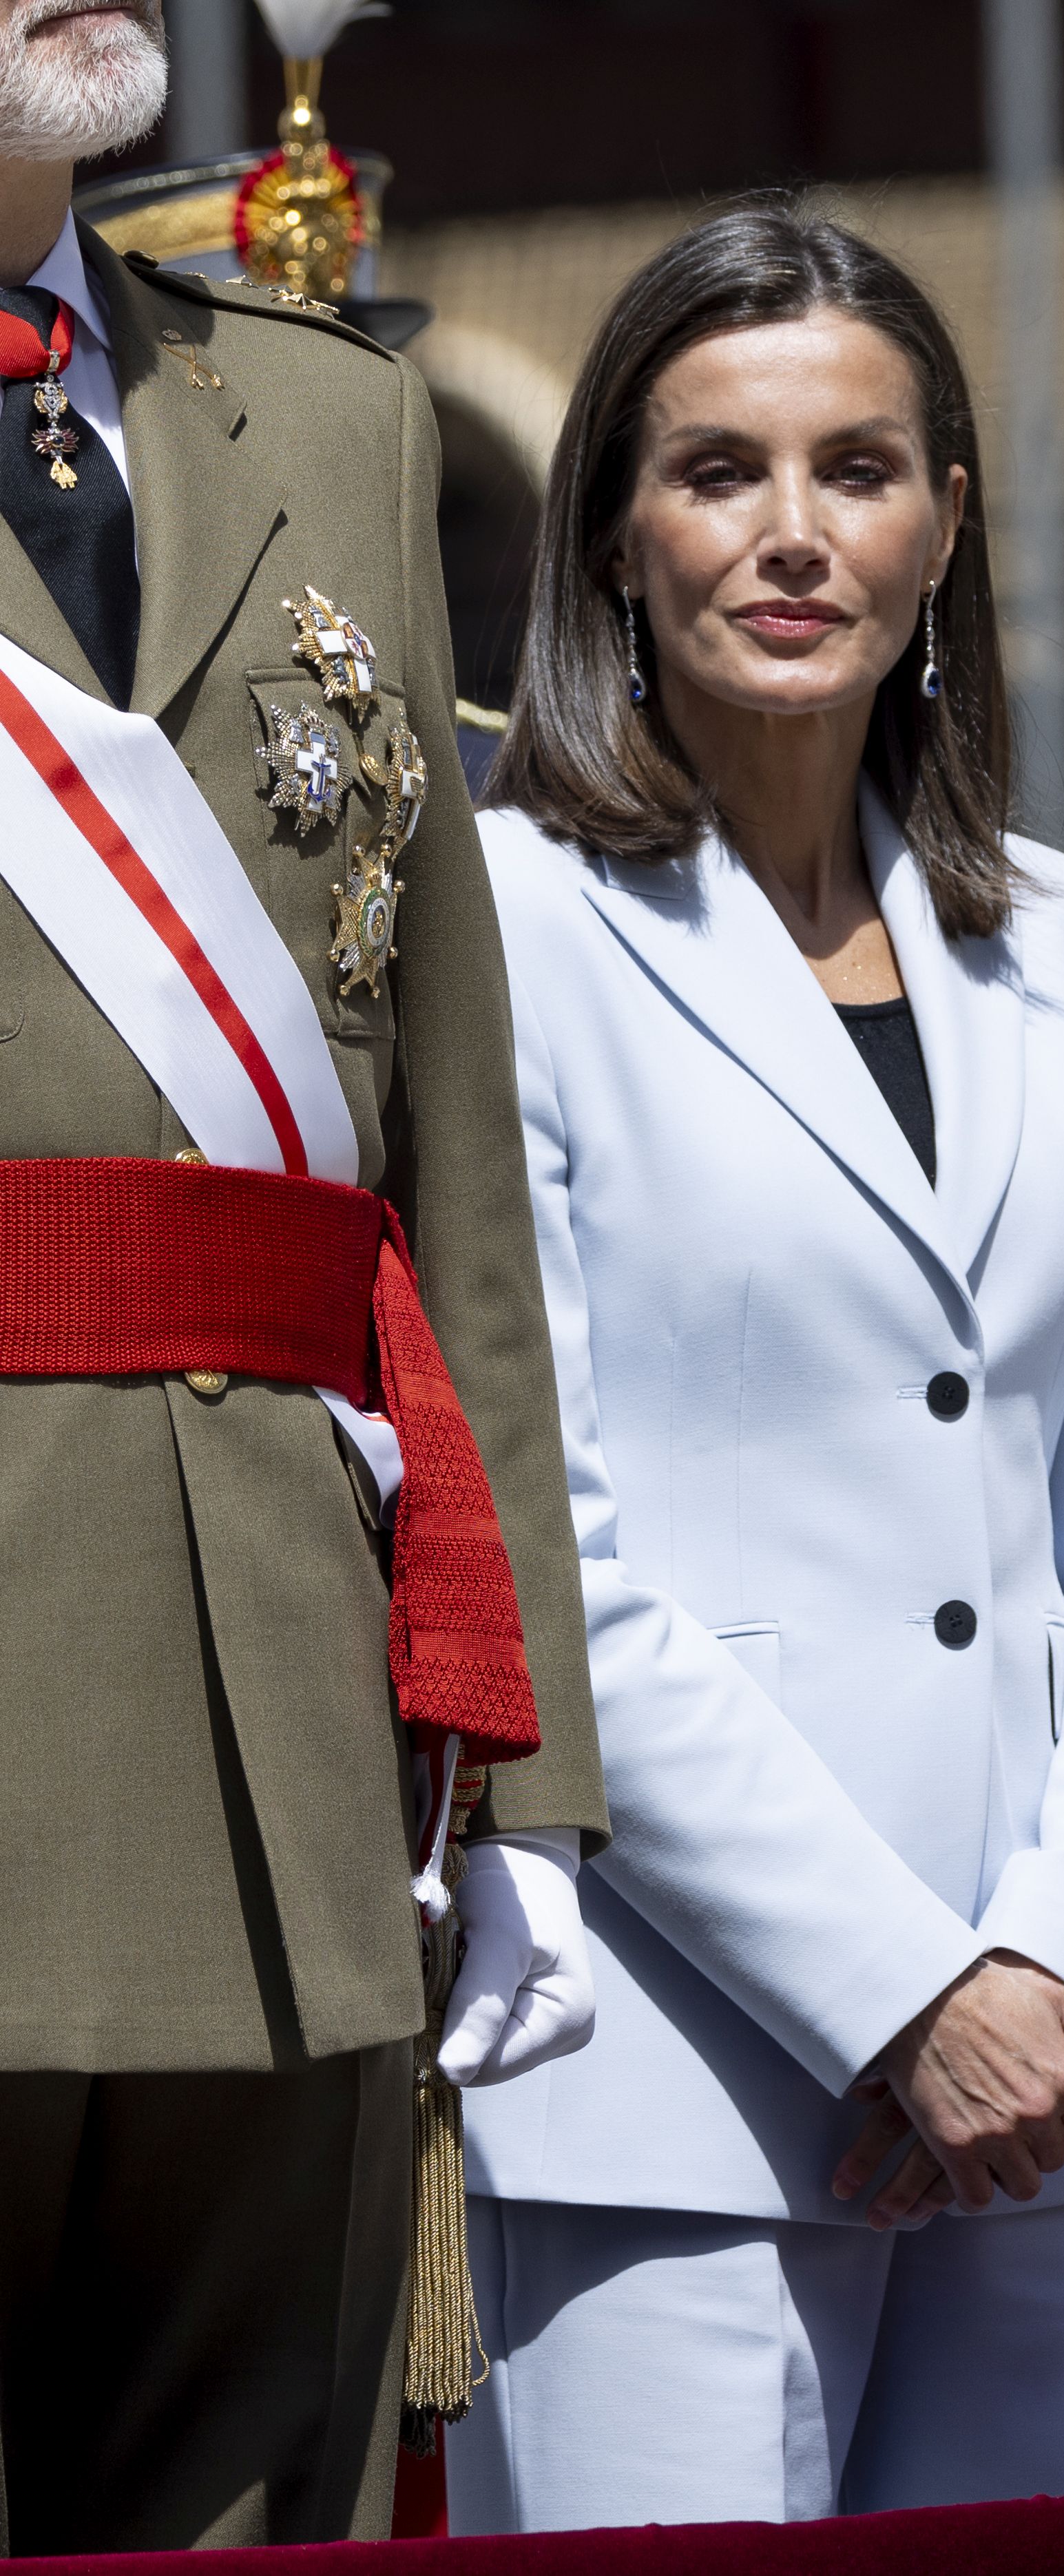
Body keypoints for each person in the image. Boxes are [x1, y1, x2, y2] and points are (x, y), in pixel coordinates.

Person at [446, 202, 1064, 2532]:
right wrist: (903, 1993)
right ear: (613, 527)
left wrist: (1053, 1962)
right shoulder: (509, 929)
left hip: (1045, 2086)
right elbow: (545, 1550)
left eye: (858, 468)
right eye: (717, 471)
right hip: (669, 2089)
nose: (792, 535)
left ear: (947, 520)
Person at [0, 0, 605, 2551]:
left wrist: (528, 1766)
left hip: (287, 1698)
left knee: (267, 2507)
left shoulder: (320, 413)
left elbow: (443, 1148)